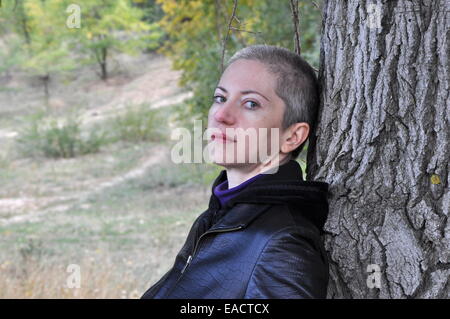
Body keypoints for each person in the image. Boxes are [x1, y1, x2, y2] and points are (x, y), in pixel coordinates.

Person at [141, 44, 329, 299]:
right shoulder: (221, 213)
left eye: (251, 104)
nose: (222, 114)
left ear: (292, 136)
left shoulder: (284, 244)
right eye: (220, 98)